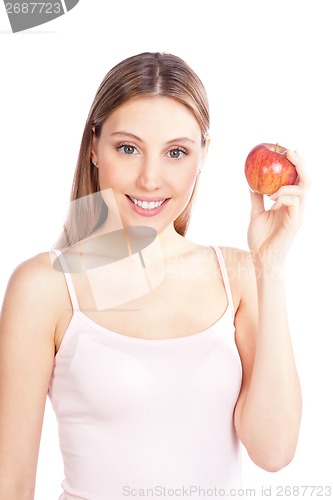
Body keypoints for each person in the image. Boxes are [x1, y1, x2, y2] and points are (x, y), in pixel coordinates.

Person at [0, 52, 309, 500]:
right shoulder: (45, 286)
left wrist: (272, 265)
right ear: (93, 146)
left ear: (203, 155)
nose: (149, 178)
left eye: (176, 152)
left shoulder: (239, 275)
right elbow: (10, 484)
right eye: (128, 148)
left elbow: (274, 451)